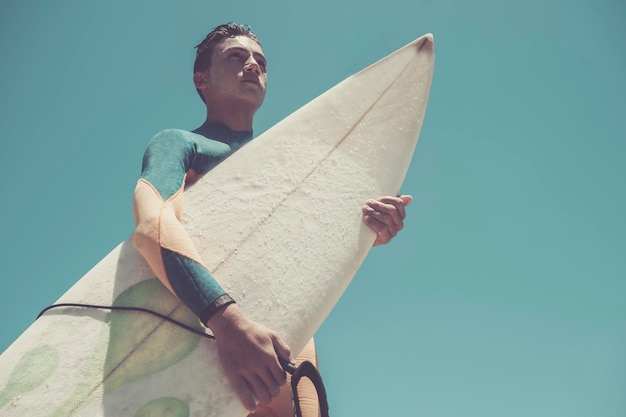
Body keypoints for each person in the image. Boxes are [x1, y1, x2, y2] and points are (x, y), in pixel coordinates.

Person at [132, 22, 412, 417]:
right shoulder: (181, 144)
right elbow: (152, 226)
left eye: (259, 61)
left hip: (294, 347)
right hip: (209, 335)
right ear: (202, 79)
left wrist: (370, 231)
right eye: (236, 57)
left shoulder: (288, 166)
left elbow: (305, 252)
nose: (252, 65)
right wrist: (225, 320)